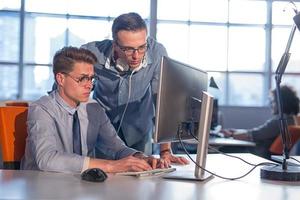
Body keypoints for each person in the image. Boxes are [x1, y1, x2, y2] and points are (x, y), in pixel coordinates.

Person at [21, 46, 168, 173]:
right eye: (82, 78)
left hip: (78, 186)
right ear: (60, 79)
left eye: (91, 78)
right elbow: (47, 160)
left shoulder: (93, 108)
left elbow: (117, 148)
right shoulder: (41, 109)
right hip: (42, 188)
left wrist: (140, 158)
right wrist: (110, 166)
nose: (89, 85)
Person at [81, 12, 188, 165]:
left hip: (139, 130)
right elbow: (68, 93)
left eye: (142, 47)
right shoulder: (92, 53)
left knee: (140, 181)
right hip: (101, 133)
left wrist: (165, 150)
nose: (136, 56)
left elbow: (163, 102)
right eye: (128, 49)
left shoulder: (157, 53)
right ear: (115, 46)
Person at [222, 85, 300, 158]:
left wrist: (231, 134)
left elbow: (254, 135)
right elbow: (258, 132)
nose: (271, 104)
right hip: (268, 155)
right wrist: (236, 131)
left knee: (223, 149)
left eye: (273, 101)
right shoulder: (291, 120)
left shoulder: (279, 121)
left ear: (281, 103)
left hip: (259, 155)